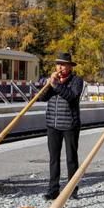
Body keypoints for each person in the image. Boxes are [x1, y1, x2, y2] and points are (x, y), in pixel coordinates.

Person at [42, 52, 84, 200]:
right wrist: (48, 85)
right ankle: (53, 189)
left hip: (70, 124)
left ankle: (72, 189)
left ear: (70, 67)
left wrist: (56, 85)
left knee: (71, 158)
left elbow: (71, 96)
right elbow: (42, 97)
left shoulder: (77, 81)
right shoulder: (52, 81)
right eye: (58, 64)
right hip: (52, 124)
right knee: (54, 158)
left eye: (63, 64)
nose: (60, 67)